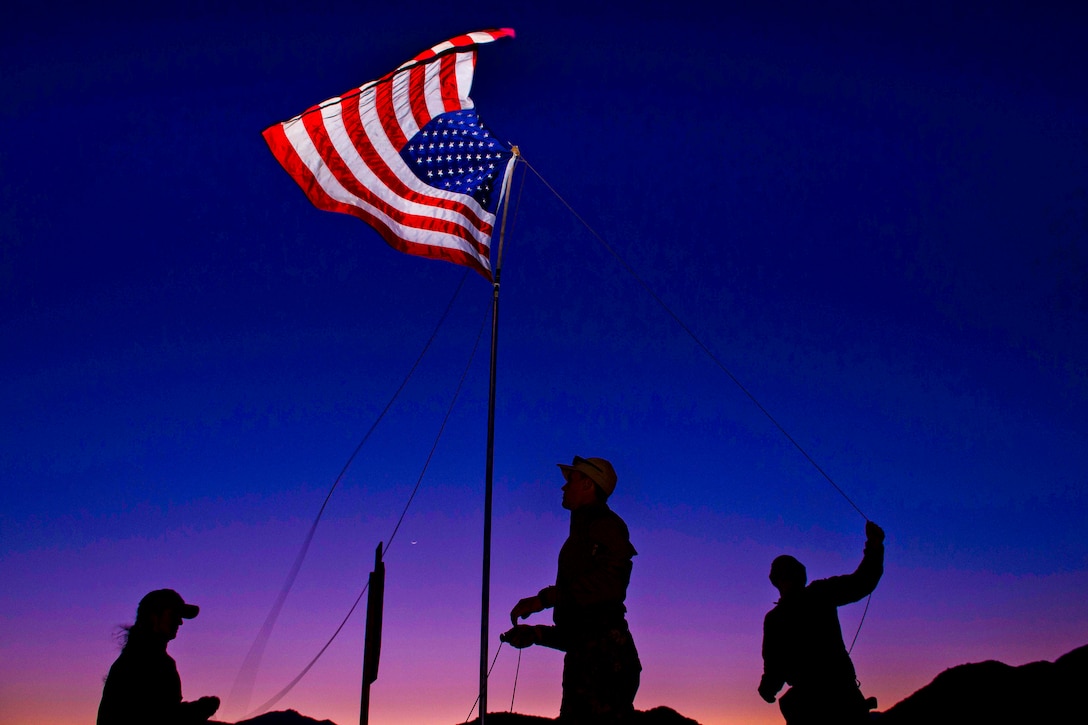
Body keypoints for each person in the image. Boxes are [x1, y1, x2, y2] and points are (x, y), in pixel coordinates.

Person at [502, 455, 641, 724]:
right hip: (591, 664)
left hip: (605, 668)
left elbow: (609, 587)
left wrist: (544, 599)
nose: (564, 487)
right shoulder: (582, 534)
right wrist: (536, 634)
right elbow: (583, 630)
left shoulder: (605, 526)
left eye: (572, 480)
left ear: (589, 485)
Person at [758, 521, 885, 725]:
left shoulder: (779, 616)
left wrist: (768, 689)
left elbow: (862, 582)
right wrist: (875, 546)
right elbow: (863, 582)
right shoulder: (815, 596)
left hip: (820, 704)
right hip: (835, 700)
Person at [97, 589, 221, 725]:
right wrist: (199, 709)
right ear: (154, 616)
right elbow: (157, 717)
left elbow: (161, 711)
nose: (180, 622)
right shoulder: (142, 661)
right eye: (174, 615)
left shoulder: (146, 657)